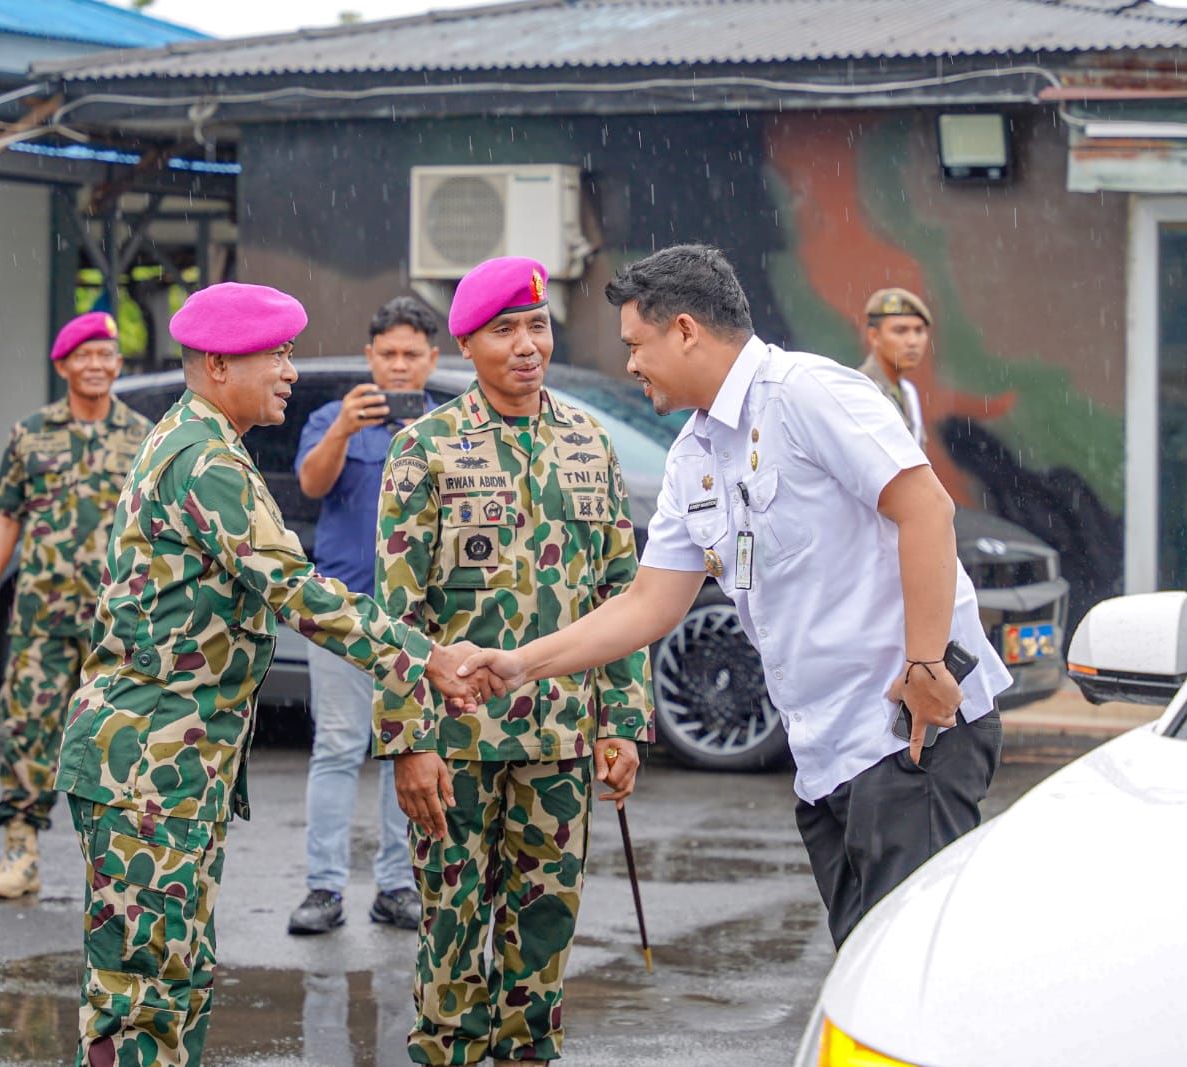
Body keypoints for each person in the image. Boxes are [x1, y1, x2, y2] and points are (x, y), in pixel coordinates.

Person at [461, 245, 1012, 949]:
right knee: (866, 970)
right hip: (827, 758)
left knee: (912, 980)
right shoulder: (693, 453)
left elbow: (928, 509)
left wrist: (929, 666)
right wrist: (521, 664)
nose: (630, 363)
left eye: (636, 344)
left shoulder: (808, 392)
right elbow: (650, 604)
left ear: (686, 329)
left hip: (906, 735)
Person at [53, 282, 497, 1067]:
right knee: (142, 997)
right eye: (277, 354)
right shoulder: (206, 461)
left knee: (174, 981)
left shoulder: (201, 441)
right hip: (147, 766)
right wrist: (426, 655)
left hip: (170, 762)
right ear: (219, 364)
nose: (290, 371)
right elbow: (298, 589)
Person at [374, 257, 651, 1065]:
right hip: (455, 745)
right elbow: (397, 617)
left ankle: (529, 1053)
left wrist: (622, 722)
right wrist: (407, 741)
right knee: (453, 926)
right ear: (466, 343)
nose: (526, 345)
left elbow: (619, 592)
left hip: (562, 738)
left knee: (544, 927)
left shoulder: (589, 441)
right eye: (504, 330)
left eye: (537, 325)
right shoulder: (424, 449)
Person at [0, 310, 150, 900]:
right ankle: (21, 851)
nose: (96, 365)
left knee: (121, 739)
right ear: (64, 365)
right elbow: (5, 518)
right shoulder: (31, 434)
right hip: (40, 617)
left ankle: (122, 864)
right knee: (28, 731)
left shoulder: (143, 435)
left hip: (117, 624)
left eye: (107, 355)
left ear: (119, 365)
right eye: (84, 356)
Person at [287, 296, 442, 936]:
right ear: (370, 356)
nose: (399, 366)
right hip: (343, 615)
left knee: (405, 751)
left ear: (434, 358)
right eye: (388, 354)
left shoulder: (449, 426)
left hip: (417, 622)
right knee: (338, 748)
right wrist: (343, 431)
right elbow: (311, 485)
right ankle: (323, 888)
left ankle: (397, 885)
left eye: (412, 354)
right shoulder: (332, 416)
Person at [857, 287, 932, 448]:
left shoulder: (908, 392)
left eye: (919, 331)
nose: (912, 342)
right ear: (874, 336)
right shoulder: (861, 391)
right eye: (900, 331)